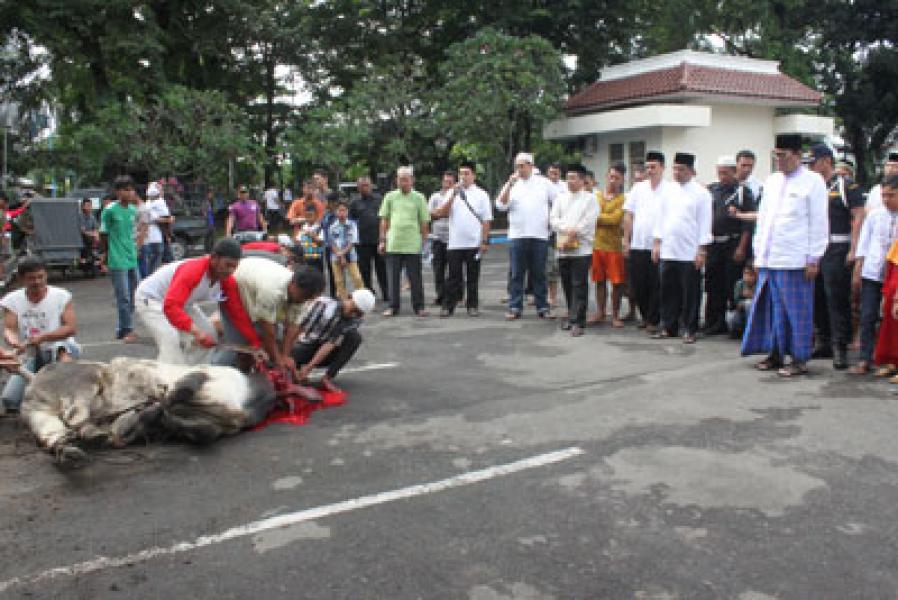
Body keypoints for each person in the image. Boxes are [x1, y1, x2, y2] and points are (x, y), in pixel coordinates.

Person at [741, 134, 828, 378]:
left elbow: (819, 223)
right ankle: (776, 352)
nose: (779, 160)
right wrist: (759, 256)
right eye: (776, 155)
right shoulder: (772, 182)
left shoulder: (813, 182)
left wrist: (814, 258)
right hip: (771, 257)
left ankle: (799, 357)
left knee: (796, 311)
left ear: (798, 156)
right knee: (773, 309)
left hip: (796, 258)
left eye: (783, 155)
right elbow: (764, 221)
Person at [134, 238, 261, 365]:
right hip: (151, 298)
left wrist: (255, 343)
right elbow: (170, 306)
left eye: (234, 266)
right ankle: (166, 379)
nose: (230, 271)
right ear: (214, 258)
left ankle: (194, 373)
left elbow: (237, 314)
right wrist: (196, 331)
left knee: (210, 334)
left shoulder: (227, 281)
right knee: (170, 339)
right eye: (227, 265)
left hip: (181, 302)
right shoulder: (193, 271)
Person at [808, 143, 865, 369]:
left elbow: (858, 216)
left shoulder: (844, 184)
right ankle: (823, 341)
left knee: (836, 299)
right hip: (816, 247)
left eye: (814, 162)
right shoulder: (812, 186)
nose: (811, 167)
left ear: (826, 161)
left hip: (837, 246)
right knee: (817, 296)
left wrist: (854, 248)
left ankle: (839, 346)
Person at [0, 258, 80, 414]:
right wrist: (14, 342)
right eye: (31, 278)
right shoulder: (12, 300)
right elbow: (9, 329)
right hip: (29, 353)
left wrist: (43, 337)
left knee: (61, 349)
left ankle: (69, 394)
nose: (37, 282)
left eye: (40, 277)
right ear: (21, 279)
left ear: (46, 276)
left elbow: (71, 328)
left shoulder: (61, 296)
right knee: (10, 400)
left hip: (59, 347)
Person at [214, 260, 325, 370]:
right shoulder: (272, 290)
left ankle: (250, 373)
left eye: (308, 298)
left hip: (255, 292)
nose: (304, 300)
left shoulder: (302, 294)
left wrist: (285, 357)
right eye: (303, 296)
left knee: (276, 340)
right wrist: (278, 360)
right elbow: (268, 332)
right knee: (240, 344)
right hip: (233, 289)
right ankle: (213, 372)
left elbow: (292, 328)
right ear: (293, 284)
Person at [652, 152, 712, 344]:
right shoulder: (667, 190)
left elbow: (705, 223)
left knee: (690, 292)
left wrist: (701, 250)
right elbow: (660, 219)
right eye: (675, 169)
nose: (677, 173)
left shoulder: (702, 193)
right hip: (669, 249)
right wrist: (657, 243)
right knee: (668, 290)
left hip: (690, 252)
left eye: (682, 169)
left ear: (692, 171)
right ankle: (668, 326)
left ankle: (689, 328)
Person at [495, 152, 558, 320]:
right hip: (517, 235)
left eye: (522, 166)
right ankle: (515, 306)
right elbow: (500, 205)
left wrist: (553, 220)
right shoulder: (512, 184)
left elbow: (558, 200)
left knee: (539, 273)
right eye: (517, 166)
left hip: (539, 235)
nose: (519, 169)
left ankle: (542, 306)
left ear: (531, 166)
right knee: (517, 273)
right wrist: (509, 184)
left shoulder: (544, 183)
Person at [623, 151, 676, 333]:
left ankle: (654, 319)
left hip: (660, 244)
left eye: (653, 167)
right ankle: (646, 316)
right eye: (647, 167)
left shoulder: (670, 189)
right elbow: (629, 215)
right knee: (639, 284)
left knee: (657, 284)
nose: (650, 170)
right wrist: (626, 240)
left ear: (662, 167)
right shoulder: (638, 188)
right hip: (639, 243)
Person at [431, 161, 492, 318]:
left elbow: (486, 220)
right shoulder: (452, 192)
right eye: (461, 173)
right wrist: (453, 195)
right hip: (455, 243)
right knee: (453, 277)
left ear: (474, 175)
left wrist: (484, 241)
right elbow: (441, 212)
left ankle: (472, 305)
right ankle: (448, 306)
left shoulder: (481, 194)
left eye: (467, 173)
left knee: (473, 276)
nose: (463, 177)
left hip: (473, 242)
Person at [851, 175, 898, 374]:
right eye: (884, 195)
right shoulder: (875, 215)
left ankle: (890, 360)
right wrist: (858, 269)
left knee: (891, 317)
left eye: (892, 195)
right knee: (868, 315)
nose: (887, 199)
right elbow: (864, 243)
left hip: (894, 275)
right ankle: (865, 358)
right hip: (873, 271)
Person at [704, 155, 756, 335]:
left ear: (734, 172)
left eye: (725, 173)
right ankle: (713, 321)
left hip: (733, 243)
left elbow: (748, 224)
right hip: (714, 244)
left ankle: (734, 323)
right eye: (719, 173)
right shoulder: (712, 190)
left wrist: (742, 247)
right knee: (712, 284)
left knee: (730, 284)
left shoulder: (743, 192)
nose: (722, 177)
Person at [288, 288, 375, 393]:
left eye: (358, 313)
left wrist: (308, 368)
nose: (353, 315)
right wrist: (288, 360)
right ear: (349, 297)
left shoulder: (354, 320)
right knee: (291, 371)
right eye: (353, 310)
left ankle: (327, 378)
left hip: (321, 348)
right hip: (301, 344)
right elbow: (297, 330)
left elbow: (330, 344)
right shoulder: (323, 304)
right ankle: (293, 369)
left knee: (355, 337)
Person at [550, 164, 600, 336]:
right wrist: (567, 229)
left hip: (582, 249)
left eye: (573, 178)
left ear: (582, 180)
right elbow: (553, 219)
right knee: (566, 284)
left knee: (579, 284)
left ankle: (579, 321)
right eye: (568, 178)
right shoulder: (560, 198)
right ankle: (572, 316)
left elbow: (588, 222)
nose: (569, 181)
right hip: (563, 248)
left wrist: (574, 232)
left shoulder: (590, 199)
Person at [378, 166, 430, 317]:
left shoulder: (419, 197)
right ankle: (393, 307)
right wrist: (382, 240)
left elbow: (424, 222)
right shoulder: (390, 197)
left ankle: (419, 307)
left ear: (412, 180)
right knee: (392, 278)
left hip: (413, 244)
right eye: (400, 179)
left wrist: (424, 242)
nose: (403, 182)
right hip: (393, 243)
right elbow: (384, 220)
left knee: (415, 278)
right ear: (397, 180)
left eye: (406, 179)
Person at [102, 175, 140, 343]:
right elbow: (103, 233)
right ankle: (127, 330)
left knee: (135, 295)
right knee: (123, 296)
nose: (130, 193)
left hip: (131, 257)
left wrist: (136, 248)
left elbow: (135, 232)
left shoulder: (133, 211)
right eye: (126, 189)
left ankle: (122, 327)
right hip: (117, 259)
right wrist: (105, 255)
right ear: (118, 192)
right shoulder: (110, 210)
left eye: (131, 189)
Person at [590, 163, 627, 327]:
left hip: (614, 246)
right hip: (597, 245)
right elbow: (591, 215)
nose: (612, 181)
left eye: (617, 178)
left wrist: (597, 217)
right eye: (611, 177)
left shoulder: (623, 199)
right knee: (599, 281)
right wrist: (600, 217)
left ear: (622, 180)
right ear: (606, 176)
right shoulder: (596, 195)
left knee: (617, 283)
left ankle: (616, 314)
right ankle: (600, 312)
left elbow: (615, 220)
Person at [349, 176, 388, 302]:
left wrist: (385, 237)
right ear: (358, 187)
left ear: (371, 185)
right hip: (362, 242)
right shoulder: (354, 202)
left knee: (382, 268)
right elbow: (351, 222)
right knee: (364, 270)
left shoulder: (380, 199)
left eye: (367, 185)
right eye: (361, 185)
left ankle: (387, 293)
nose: (364, 188)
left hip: (378, 240)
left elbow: (385, 218)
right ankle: (368, 292)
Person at [428, 172, 455, 307]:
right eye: (445, 182)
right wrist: (441, 213)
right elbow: (430, 214)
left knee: (454, 270)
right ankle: (440, 295)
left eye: (450, 182)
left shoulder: (458, 196)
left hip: (454, 239)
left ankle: (455, 295)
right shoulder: (435, 196)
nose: (447, 184)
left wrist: (440, 212)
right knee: (438, 269)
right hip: (438, 238)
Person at [328, 201, 365, 299]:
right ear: (336, 212)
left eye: (344, 210)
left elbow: (353, 241)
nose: (342, 213)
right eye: (339, 210)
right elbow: (331, 242)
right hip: (335, 256)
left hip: (350, 255)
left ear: (347, 212)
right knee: (339, 280)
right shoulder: (332, 226)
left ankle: (361, 297)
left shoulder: (352, 225)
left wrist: (343, 254)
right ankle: (344, 300)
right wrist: (339, 255)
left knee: (357, 277)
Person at [139, 182, 172, 277]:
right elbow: (159, 219)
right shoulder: (155, 203)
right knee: (155, 260)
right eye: (160, 190)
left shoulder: (150, 203)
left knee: (156, 259)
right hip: (155, 237)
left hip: (156, 236)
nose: (162, 192)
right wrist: (169, 219)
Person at [727, 265, 757, 338]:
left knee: (749, 304)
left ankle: (751, 332)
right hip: (741, 312)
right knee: (729, 316)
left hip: (756, 314)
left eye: (750, 275)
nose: (747, 277)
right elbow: (735, 302)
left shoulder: (759, 284)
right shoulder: (739, 284)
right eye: (745, 274)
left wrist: (752, 296)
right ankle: (737, 332)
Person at [298, 204, 326, 273]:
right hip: (306, 257)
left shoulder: (319, 228)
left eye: (310, 215)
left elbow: (321, 242)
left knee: (318, 275)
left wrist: (312, 236)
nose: (308, 218)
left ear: (316, 216)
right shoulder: (303, 227)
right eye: (307, 216)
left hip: (317, 258)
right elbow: (298, 241)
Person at [78, 197, 100, 277]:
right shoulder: (80, 216)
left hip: (92, 238)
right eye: (87, 205)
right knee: (87, 240)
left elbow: (96, 228)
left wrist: (96, 235)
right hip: (83, 238)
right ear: (82, 207)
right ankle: (86, 264)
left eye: (90, 205)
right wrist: (93, 234)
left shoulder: (92, 217)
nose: (89, 207)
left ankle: (98, 261)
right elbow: (82, 231)